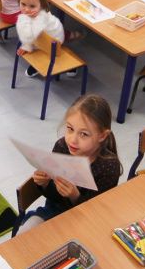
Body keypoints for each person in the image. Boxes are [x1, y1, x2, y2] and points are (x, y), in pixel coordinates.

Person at [20, 95, 122, 229]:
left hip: (87, 223)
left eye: (84, 134)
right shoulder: (62, 147)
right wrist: (44, 184)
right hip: (53, 212)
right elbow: (53, 198)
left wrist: (75, 196)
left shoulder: (108, 166)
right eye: (70, 128)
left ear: (102, 136)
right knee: (26, 232)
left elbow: (96, 212)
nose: (73, 140)